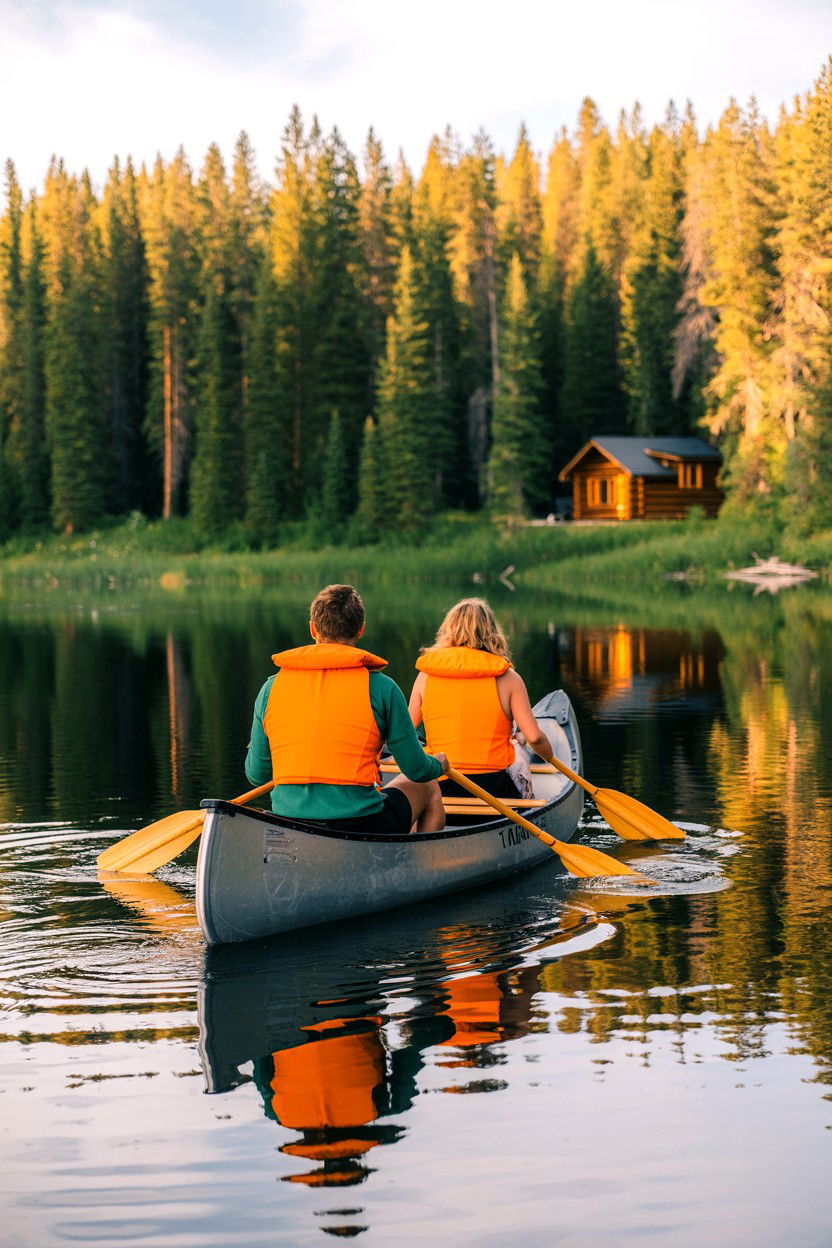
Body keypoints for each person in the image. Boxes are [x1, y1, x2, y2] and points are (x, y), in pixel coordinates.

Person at [246, 584, 448, 835]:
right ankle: (419, 868)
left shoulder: (270, 689)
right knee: (427, 785)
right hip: (359, 824)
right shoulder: (383, 688)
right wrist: (438, 766)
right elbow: (416, 770)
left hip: (289, 823)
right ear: (360, 629)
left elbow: (257, 775)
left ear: (313, 629)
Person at [408, 597, 555, 799]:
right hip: (494, 790)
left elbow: (405, 734)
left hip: (440, 787)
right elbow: (535, 737)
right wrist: (550, 759)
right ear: (491, 631)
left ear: (449, 630)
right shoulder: (509, 678)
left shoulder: (425, 677)